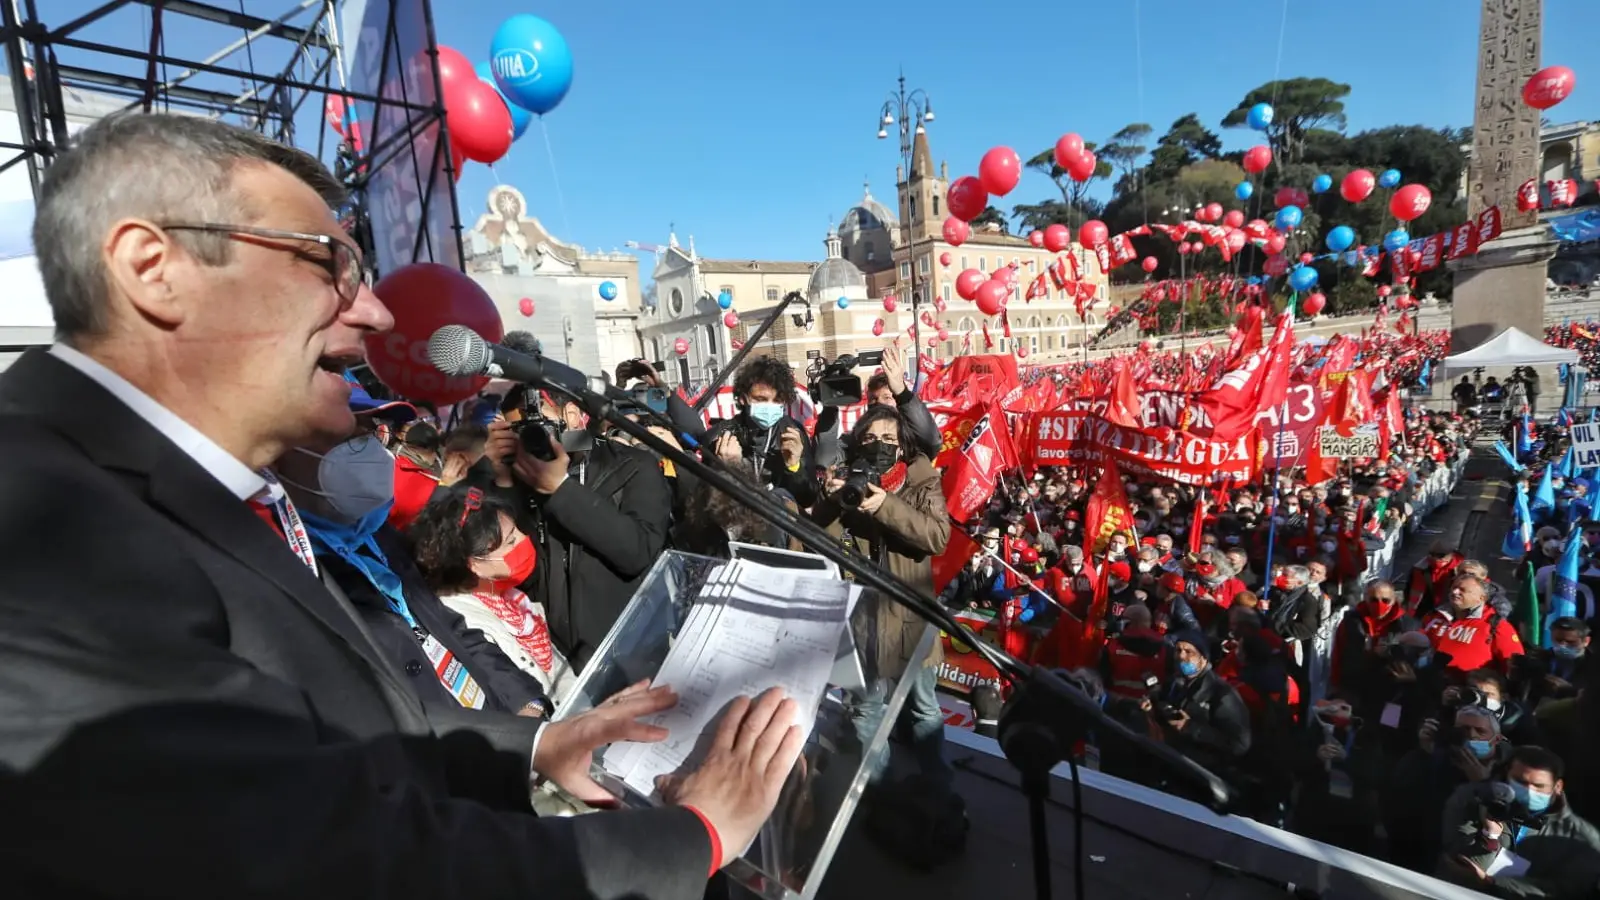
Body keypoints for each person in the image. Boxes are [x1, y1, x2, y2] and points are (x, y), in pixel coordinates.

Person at [0, 112, 799, 897]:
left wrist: (540, 745)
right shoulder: (35, 523)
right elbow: (321, 856)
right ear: (153, 269)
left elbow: (357, 732)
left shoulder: (205, 492)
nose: (377, 314)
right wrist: (687, 835)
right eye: (329, 264)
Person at [811, 405, 953, 789]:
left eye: (890, 439)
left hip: (912, 621)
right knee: (866, 712)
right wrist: (831, 501)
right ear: (858, 443)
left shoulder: (921, 479)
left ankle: (940, 789)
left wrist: (885, 506)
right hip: (863, 622)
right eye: (871, 438)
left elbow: (936, 537)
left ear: (904, 446)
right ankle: (878, 791)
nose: (880, 446)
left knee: (924, 710)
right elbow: (814, 541)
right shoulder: (849, 480)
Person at [409, 485, 576, 700]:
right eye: (511, 542)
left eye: (517, 530)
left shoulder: (506, 594)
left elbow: (557, 669)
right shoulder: (464, 623)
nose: (525, 539)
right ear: (474, 564)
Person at [1437, 746, 1600, 898]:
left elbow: (1563, 890)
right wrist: (1491, 836)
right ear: (1507, 773)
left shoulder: (1582, 836)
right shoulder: (1472, 799)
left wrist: (1492, 883)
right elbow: (1461, 865)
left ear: (1557, 786)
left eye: (1538, 786)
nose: (1529, 791)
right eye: (1520, 782)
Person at [702, 355, 818, 507]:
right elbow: (706, 502)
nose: (770, 406)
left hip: (781, 522)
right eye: (761, 399)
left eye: (777, 400)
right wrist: (729, 470)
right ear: (743, 398)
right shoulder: (718, 436)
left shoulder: (793, 432)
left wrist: (794, 467)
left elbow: (807, 499)